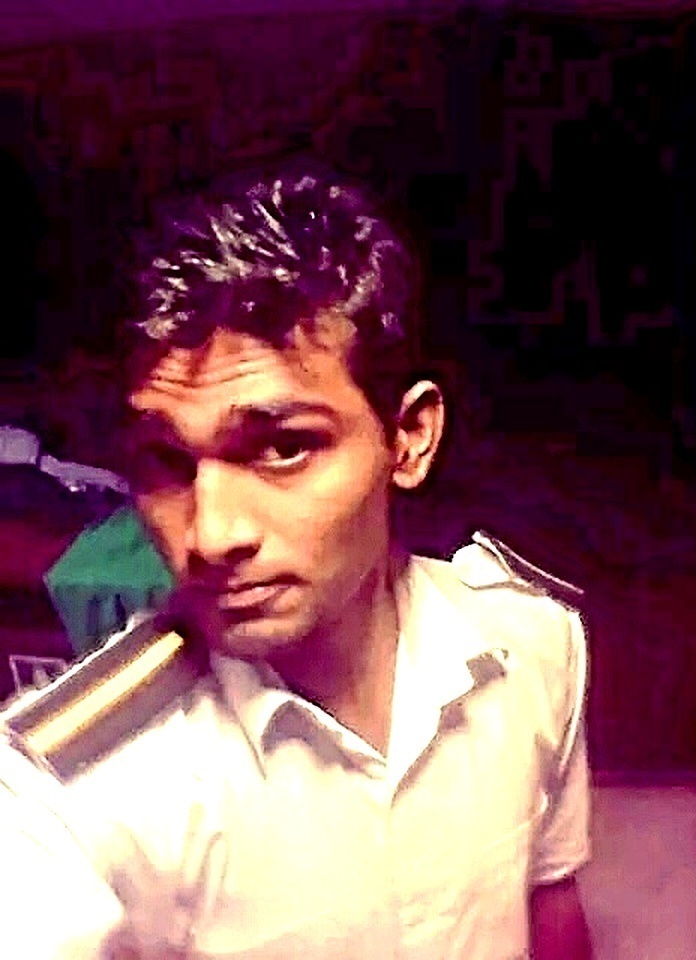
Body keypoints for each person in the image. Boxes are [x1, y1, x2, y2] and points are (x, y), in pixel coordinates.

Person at [1, 160, 592, 958]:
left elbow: (551, 903)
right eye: (167, 463)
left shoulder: (534, 643)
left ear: (409, 437)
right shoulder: (66, 789)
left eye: (283, 447)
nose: (211, 535)